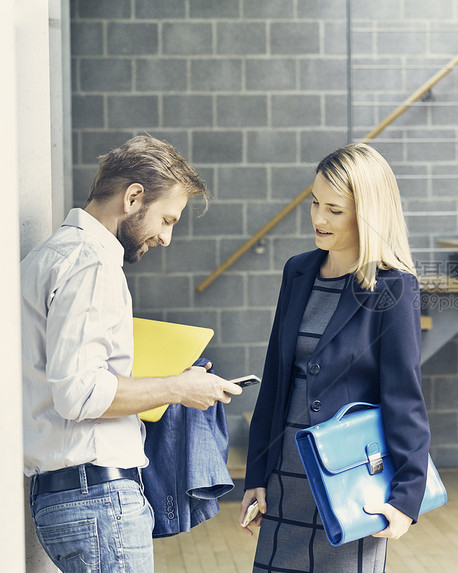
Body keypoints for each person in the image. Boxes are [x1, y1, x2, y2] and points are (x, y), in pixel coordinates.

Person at [20, 135, 243, 572]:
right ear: (134, 197)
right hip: (97, 498)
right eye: (166, 219)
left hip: (70, 495)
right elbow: (80, 394)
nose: (166, 237)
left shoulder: (49, 256)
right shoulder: (91, 264)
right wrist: (179, 388)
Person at [240, 143, 430, 572]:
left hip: (349, 485)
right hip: (286, 474)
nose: (319, 219)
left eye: (334, 209)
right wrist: (256, 475)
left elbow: (404, 397)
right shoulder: (298, 271)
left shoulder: (393, 288)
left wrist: (405, 497)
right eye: (314, 203)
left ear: (367, 214)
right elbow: (275, 378)